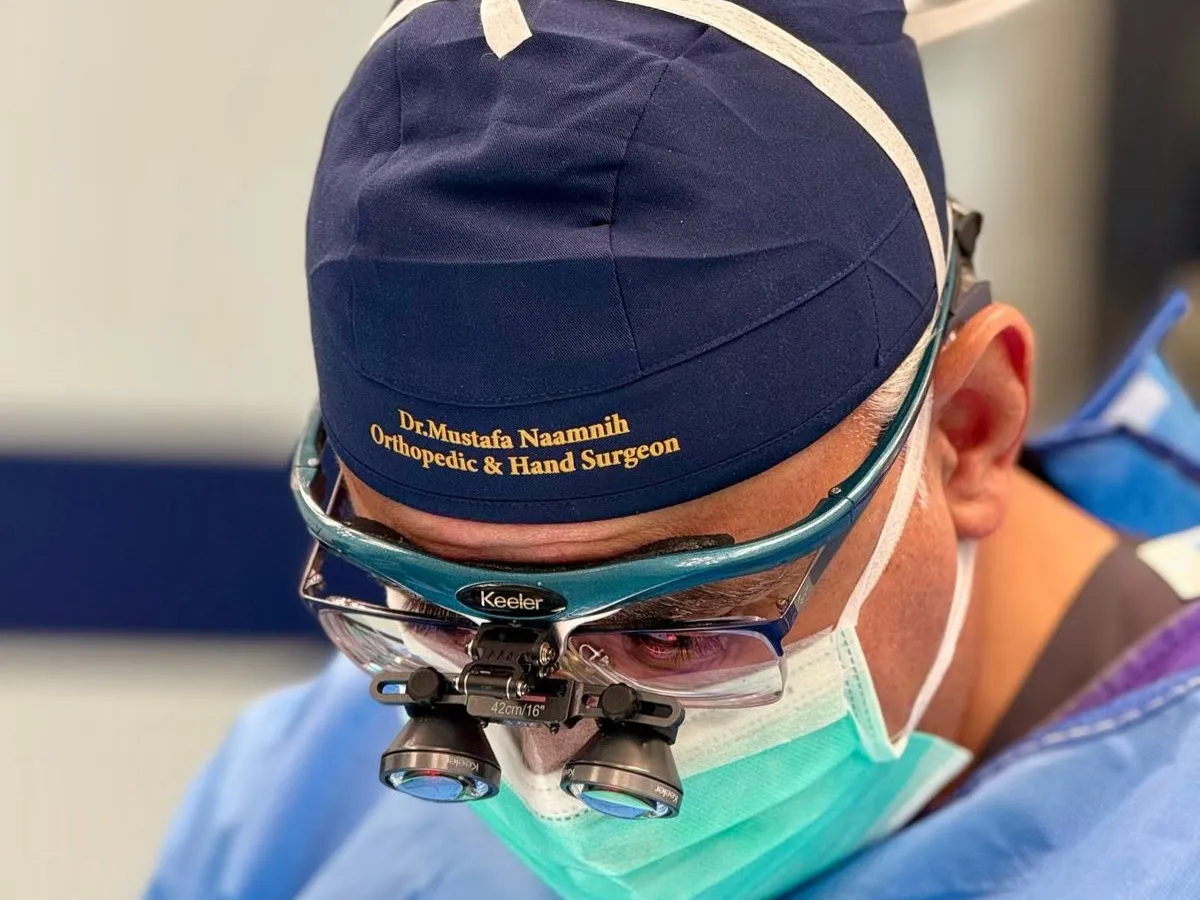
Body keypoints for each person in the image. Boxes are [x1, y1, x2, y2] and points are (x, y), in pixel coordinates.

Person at [145, 0, 1200, 897]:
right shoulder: (299, 797)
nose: (549, 770)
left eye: (673, 634)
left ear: (968, 431)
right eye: (439, 615)